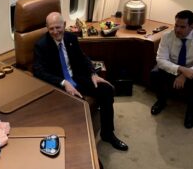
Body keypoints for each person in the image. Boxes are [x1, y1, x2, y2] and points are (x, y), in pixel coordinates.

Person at [33, 12, 128, 151]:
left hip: (78, 77)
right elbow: (39, 72)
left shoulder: (71, 38)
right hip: (60, 85)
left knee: (107, 90)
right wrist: (63, 82)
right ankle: (85, 148)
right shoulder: (41, 45)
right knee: (80, 104)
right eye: (51, 28)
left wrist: (92, 73)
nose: (55, 32)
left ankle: (107, 133)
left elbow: (83, 57)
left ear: (64, 25)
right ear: (47, 28)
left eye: (58, 27)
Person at [150, 10, 193, 128]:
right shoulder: (167, 36)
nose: (178, 30)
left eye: (182, 27)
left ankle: (191, 111)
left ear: (192, 26)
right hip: (173, 66)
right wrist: (181, 70)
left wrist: (185, 74)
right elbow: (161, 59)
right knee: (154, 74)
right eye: (176, 25)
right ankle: (161, 101)